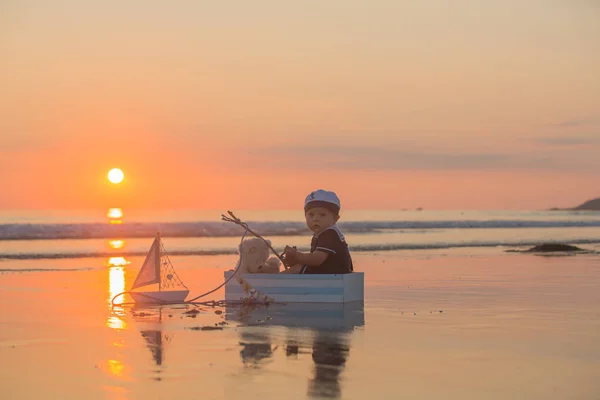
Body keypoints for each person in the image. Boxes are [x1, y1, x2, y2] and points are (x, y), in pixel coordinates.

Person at [282, 189, 353, 274]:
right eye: (311, 215)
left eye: (322, 215)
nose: (316, 219)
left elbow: (316, 259)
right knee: (299, 267)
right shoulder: (320, 234)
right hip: (331, 273)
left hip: (334, 273)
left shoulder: (329, 234)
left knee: (298, 269)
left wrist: (296, 255)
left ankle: (276, 282)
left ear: (335, 219)